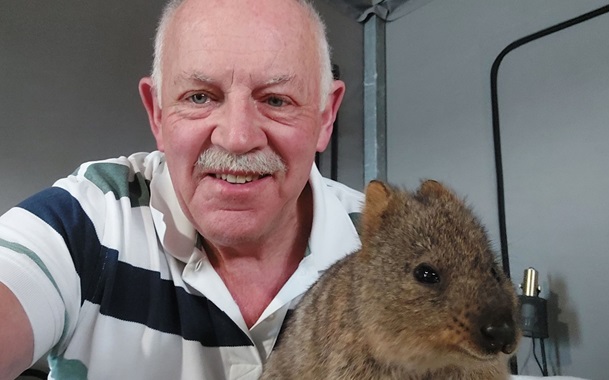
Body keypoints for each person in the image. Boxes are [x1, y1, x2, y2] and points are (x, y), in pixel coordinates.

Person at [0, 0, 364, 379]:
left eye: (275, 100)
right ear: (157, 112)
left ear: (325, 117)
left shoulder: (392, 242)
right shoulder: (87, 222)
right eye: (200, 97)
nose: (237, 138)